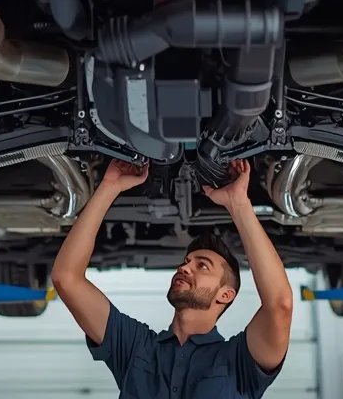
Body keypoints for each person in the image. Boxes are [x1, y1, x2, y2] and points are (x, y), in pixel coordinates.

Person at [51, 157, 294, 399]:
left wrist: (239, 204)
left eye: (203, 266)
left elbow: (279, 304)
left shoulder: (239, 363)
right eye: (187, 262)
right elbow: (67, 278)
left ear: (226, 294)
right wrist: (108, 187)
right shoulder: (136, 347)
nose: (185, 268)